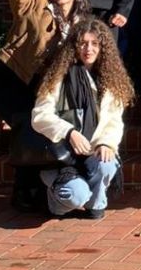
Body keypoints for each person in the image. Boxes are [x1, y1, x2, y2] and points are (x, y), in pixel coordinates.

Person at [0, 0, 92, 211]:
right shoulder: (34, 5)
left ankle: (33, 191)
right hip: (10, 79)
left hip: (42, 87)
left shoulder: (82, 23)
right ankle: (24, 192)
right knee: (28, 128)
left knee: (38, 131)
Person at [31, 19, 132, 220]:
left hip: (92, 151)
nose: (89, 49)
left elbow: (114, 120)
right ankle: (56, 201)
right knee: (76, 196)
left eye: (95, 44)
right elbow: (40, 115)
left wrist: (106, 143)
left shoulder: (110, 78)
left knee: (107, 163)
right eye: (83, 43)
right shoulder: (59, 75)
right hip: (62, 157)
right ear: (74, 46)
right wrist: (69, 132)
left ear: (103, 47)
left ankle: (96, 203)